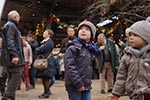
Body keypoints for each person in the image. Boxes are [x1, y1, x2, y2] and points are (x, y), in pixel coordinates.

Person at [109, 20, 150, 100]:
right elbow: (121, 77)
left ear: (146, 38)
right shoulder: (127, 56)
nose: (131, 38)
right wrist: (116, 94)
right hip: (134, 95)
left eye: (135, 35)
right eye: (130, 35)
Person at [64, 20, 100, 100]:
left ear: (91, 35)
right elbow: (70, 67)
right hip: (75, 85)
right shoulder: (73, 48)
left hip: (86, 84)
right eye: (81, 29)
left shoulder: (89, 48)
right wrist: (78, 83)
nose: (83, 31)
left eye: (87, 29)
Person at [1, 10, 24, 100]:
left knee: (11, 75)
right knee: (17, 74)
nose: (19, 19)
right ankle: (7, 96)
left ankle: (11, 97)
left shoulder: (9, 25)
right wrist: (14, 55)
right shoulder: (11, 26)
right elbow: (10, 41)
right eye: (18, 17)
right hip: (12, 56)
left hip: (8, 56)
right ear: (15, 17)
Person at [35, 29, 54, 99]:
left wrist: (38, 49)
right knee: (44, 78)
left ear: (49, 34)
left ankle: (47, 93)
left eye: (45, 32)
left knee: (46, 78)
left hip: (47, 62)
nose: (43, 33)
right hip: (44, 61)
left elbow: (40, 49)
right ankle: (45, 92)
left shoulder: (49, 42)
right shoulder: (45, 42)